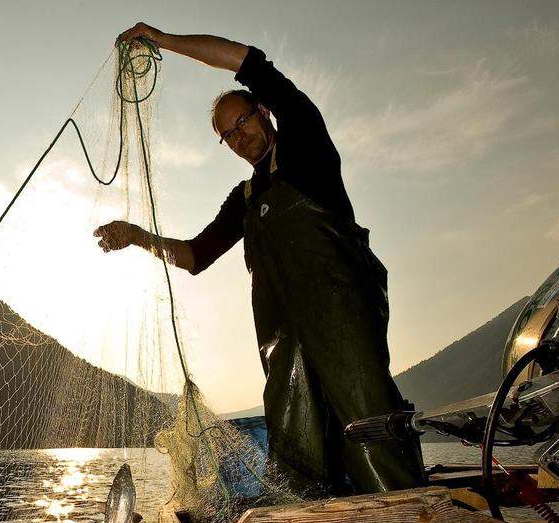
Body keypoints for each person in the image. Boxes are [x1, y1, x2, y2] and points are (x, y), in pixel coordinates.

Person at [94, 23, 424, 496]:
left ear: (262, 110)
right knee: (295, 449)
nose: (239, 136)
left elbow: (246, 61)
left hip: (342, 323)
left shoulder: (305, 143)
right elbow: (194, 255)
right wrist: (136, 235)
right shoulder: (243, 199)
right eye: (227, 135)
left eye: (242, 121)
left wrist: (161, 41)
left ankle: (411, 517)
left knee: (369, 423)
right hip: (284, 347)